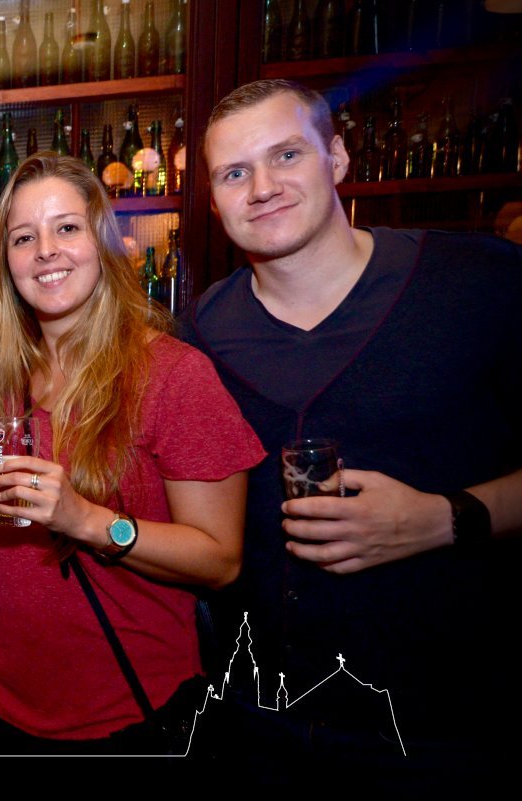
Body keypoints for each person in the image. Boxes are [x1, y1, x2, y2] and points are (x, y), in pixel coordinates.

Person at [182, 78, 522, 789]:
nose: (263, 188)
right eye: (234, 173)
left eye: (287, 155)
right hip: (261, 726)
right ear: (213, 200)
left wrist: (448, 517)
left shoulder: (478, 283)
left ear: (336, 157)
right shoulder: (202, 334)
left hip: (451, 725)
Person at [0, 153, 264, 796]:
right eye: (23, 238)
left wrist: (88, 521)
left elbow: (220, 560)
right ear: (6, 263)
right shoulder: (9, 373)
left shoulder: (173, 376)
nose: (46, 251)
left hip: (126, 714)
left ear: (102, 241)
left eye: (67, 228)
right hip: (1, 702)